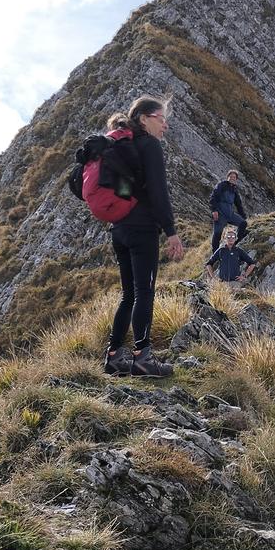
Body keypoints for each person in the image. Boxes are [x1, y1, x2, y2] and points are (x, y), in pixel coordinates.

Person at [103, 95, 184, 378]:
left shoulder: (124, 147)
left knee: (128, 295)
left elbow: (124, 192)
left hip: (119, 229)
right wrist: (171, 232)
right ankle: (142, 358)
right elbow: (159, 193)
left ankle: (113, 356)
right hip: (142, 230)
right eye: (161, 118)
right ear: (144, 119)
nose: (165, 125)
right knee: (144, 292)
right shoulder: (149, 146)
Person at [209, 169, 248, 252]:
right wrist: (214, 210)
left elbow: (238, 204)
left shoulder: (234, 190)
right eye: (231, 176)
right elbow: (213, 197)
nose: (232, 178)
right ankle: (215, 253)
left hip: (230, 214)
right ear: (227, 177)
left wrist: (243, 217)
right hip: (220, 214)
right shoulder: (221, 185)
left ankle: (236, 243)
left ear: (236, 179)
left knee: (243, 223)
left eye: (234, 177)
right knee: (217, 233)